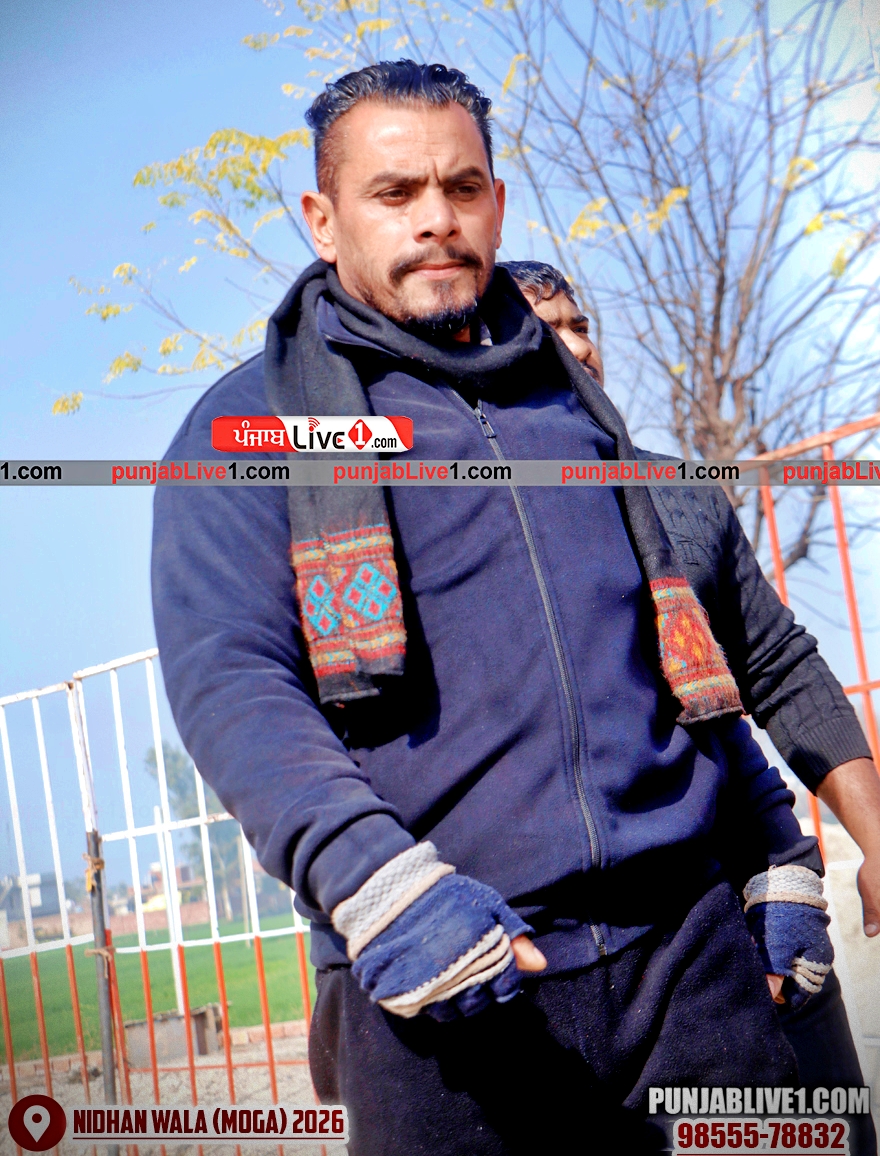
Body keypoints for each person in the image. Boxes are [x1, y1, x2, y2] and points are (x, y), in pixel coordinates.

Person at [152, 61, 854, 1155]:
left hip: (687, 958)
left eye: (463, 187)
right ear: (323, 221)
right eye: (395, 193)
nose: (436, 218)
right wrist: (379, 887)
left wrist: (777, 855)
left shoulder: (575, 412)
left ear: (497, 202)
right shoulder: (255, 428)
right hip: (449, 981)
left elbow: (696, 660)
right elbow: (232, 679)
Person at [509, 258, 880, 1156]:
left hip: (763, 907)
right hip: (587, 959)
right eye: (544, 332)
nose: (578, 347)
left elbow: (779, 665)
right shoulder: (468, 520)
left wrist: (872, 841)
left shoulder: (680, 488)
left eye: (580, 324)